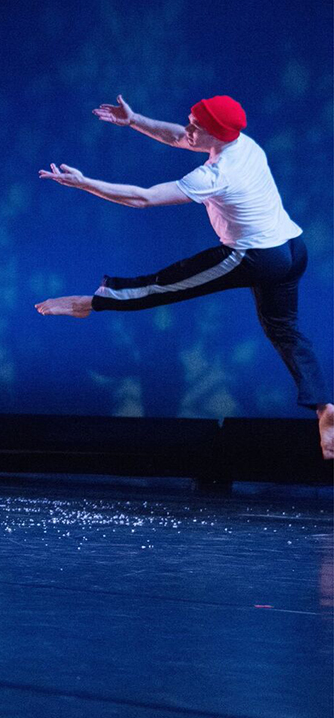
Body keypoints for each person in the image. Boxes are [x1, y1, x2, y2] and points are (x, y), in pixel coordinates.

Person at [36, 94, 333, 460]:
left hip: (255, 255)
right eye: (191, 120)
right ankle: (324, 407)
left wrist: (85, 184)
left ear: (217, 136)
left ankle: (91, 302)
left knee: (168, 283)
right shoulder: (246, 144)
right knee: (284, 331)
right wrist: (135, 120)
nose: (188, 129)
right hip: (292, 247)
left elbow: (143, 199)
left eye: (197, 126)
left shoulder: (217, 173)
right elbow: (179, 136)